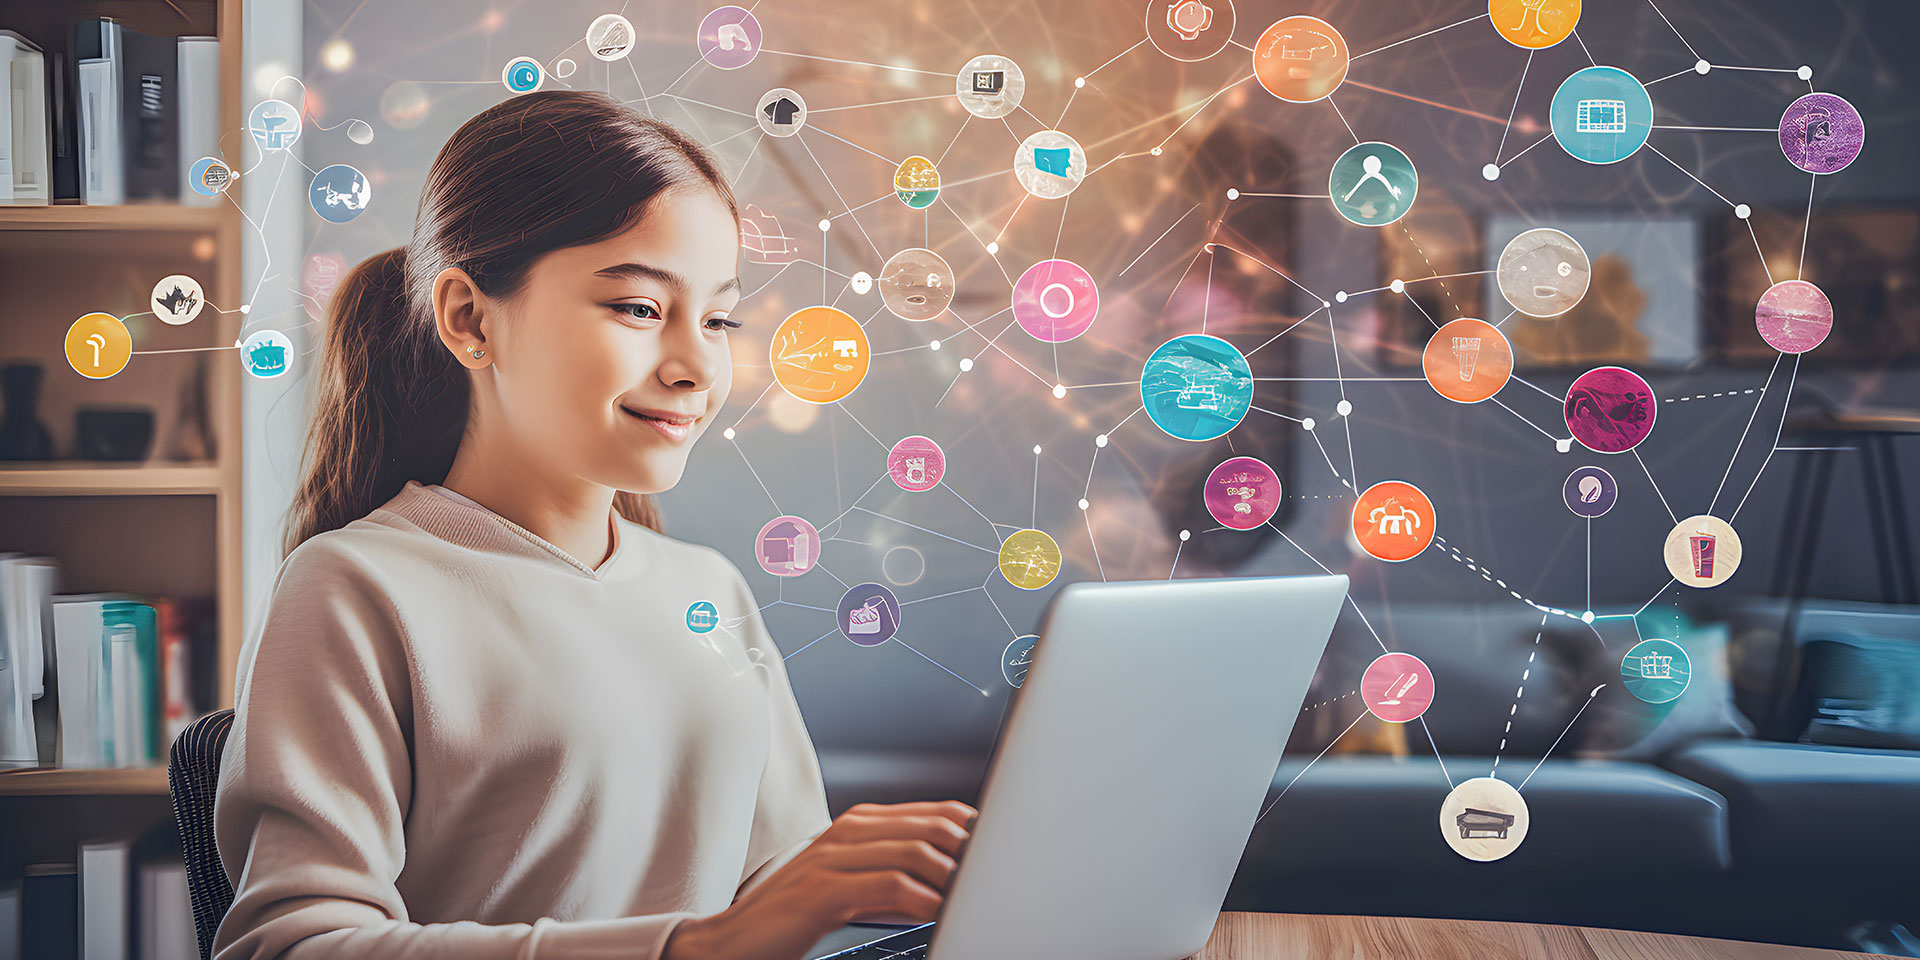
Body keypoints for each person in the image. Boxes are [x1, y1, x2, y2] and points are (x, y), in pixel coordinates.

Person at [214, 91, 974, 960]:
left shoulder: (709, 589)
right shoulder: (354, 589)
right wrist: (693, 948)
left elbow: (781, 885)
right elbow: (291, 945)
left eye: (718, 319)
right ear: (469, 318)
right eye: (640, 309)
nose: (696, 367)